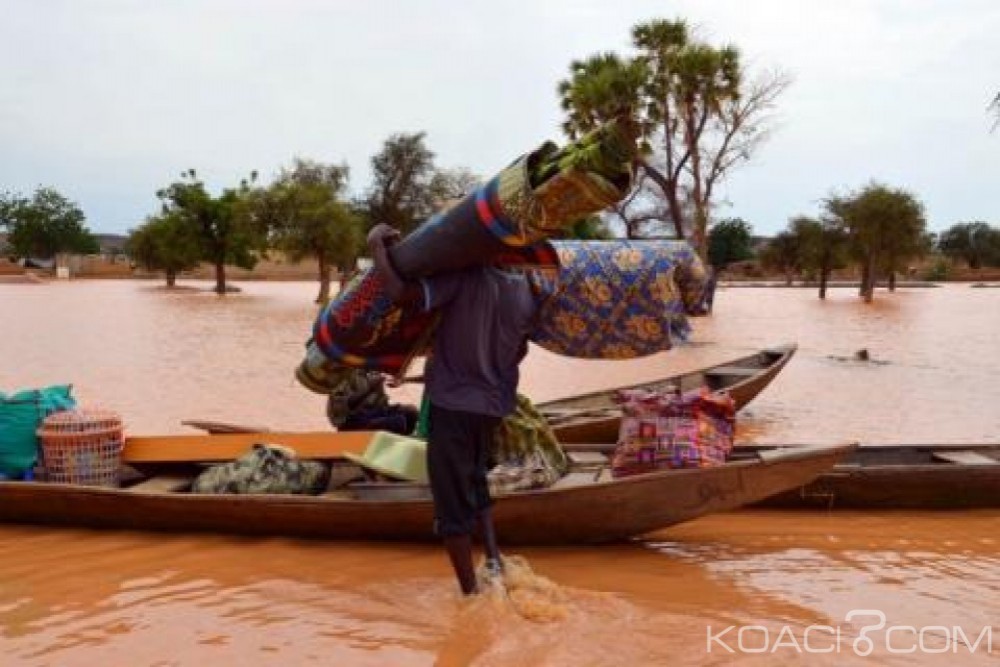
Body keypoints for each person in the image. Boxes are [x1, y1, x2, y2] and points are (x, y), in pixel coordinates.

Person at [367, 223, 537, 595]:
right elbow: (521, 349)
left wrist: (376, 249)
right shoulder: (524, 290)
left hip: (452, 405)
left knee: (450, 508)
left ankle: (471, 595)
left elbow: (400, 294)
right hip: (492, 407)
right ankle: (493, 560)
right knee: (476, 479)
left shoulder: (462, 280)